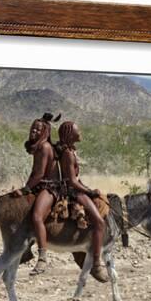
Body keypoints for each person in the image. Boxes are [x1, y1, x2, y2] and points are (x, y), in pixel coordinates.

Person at [55, 121, 109, 282]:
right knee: (99, 223)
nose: (80, 132)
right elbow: (72, 181)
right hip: (72, 191)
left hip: (75, 188)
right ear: (70, 133)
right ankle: (97, 264)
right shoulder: (68, 154)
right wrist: (89, 191)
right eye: (78, 130)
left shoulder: (69, 151)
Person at [12, 112, 62, 275]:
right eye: (32, 128)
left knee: (37, 216)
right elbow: (35, 174)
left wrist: (25, 189)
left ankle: (42, 258)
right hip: (40, 186)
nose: (33, 131)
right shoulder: (38, 148)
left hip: (50, 188)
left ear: (45, 132)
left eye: (37, 129)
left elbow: (39, 174)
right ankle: (26, 250)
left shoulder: (44, 147)